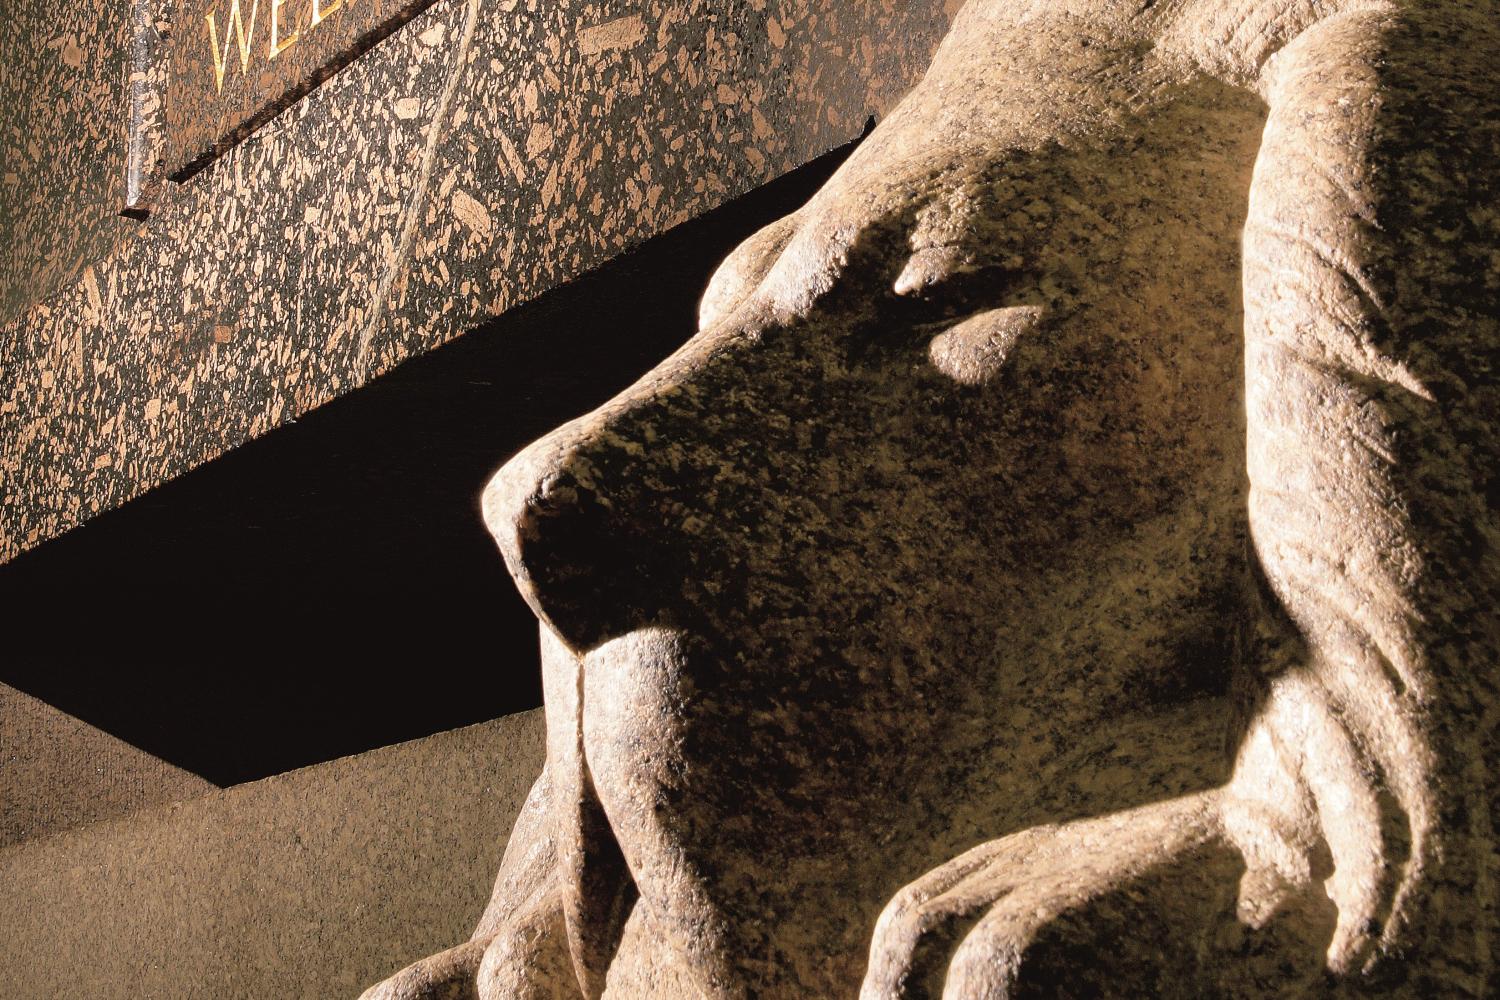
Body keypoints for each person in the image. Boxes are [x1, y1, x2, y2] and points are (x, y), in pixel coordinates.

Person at [363, 0, 1500, 994]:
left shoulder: (1342, 63)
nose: (530, 492)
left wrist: (1318, 840)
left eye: (944, 299)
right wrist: (536, 922)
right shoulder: (979, 71)